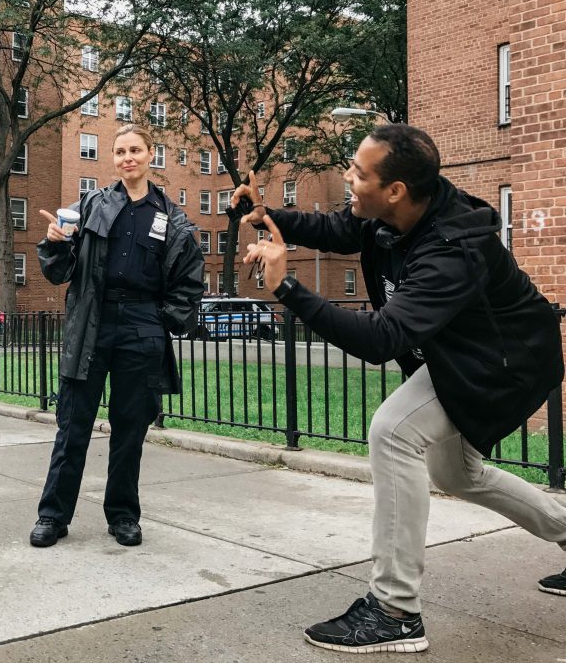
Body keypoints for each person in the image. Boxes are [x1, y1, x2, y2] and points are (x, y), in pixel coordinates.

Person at [235, 123, 566, 654]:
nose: (348, 178)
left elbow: (381, 338)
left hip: (503, 364)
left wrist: (288, 287)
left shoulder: (452, 248)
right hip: (462, 354)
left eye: (357, 173)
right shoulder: (388, 215)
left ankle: (395, 611)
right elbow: (337, 229)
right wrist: (267, 214)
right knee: (455, 473)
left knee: (393, 431)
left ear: (394, 190)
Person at [30, 124, 205, 549]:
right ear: (113, 158)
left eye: (135, 150)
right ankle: (53, 516)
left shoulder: (173, 218)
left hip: (142, 326)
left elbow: (189, 280)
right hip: (92, 319)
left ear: (150, 155)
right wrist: (56, 242)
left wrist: (163, 319)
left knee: (130, 429)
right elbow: (58, 271)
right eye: (120, 151)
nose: (128, 158)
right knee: (73, 425)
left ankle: (124, 515)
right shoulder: (91, 205)